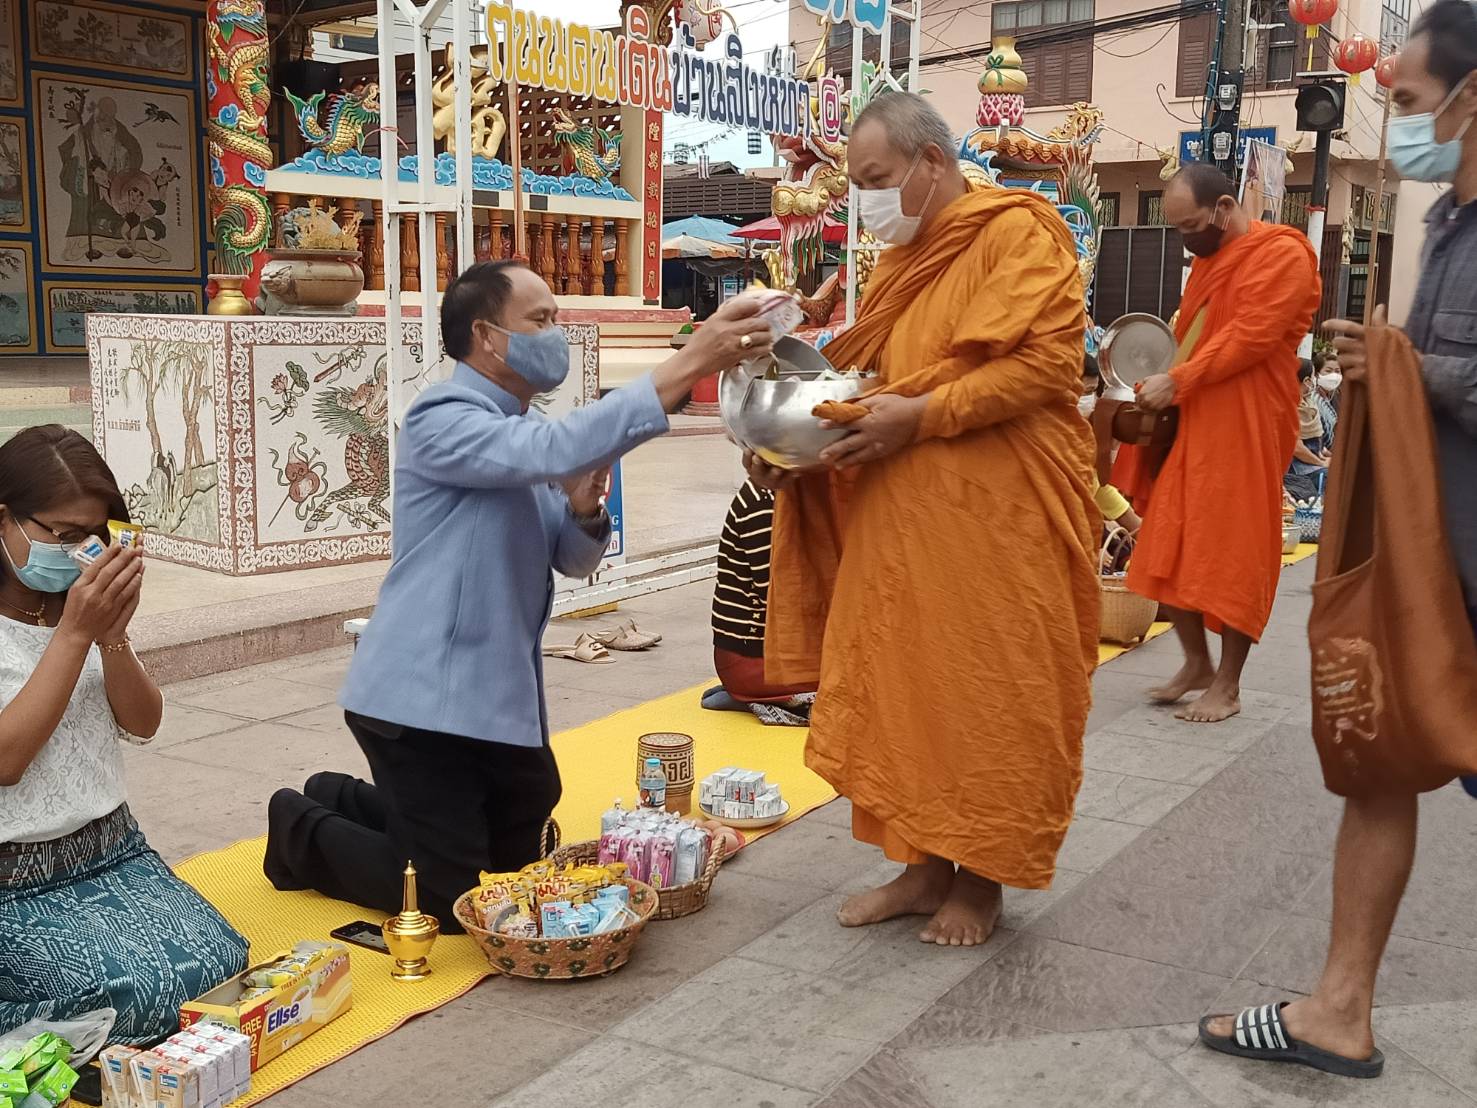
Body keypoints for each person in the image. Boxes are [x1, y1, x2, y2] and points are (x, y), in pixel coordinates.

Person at [263, 261, 774, 929]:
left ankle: (342, 796)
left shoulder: (516, 434)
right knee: (452, 899)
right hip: (419, 697)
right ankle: (297, 827)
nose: (554, 333)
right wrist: (690, 360)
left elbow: (572, 557)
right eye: (540, 320)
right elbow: (562, 445)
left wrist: (586, 512)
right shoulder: (445, 419)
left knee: (523, 848)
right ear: (488, 336)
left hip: (492, 691)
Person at [1199, 1, 1477, 1076]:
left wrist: (1403, 368)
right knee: (1377, 769)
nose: (1395, 124)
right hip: (1433, 567)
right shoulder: (1448, 222)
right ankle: (1338, 1006)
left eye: (1405, 102)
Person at [750, 92, 1100, 947]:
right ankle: (920, 870)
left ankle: (978, 882)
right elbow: (873, 377)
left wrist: (923, 416)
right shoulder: (906, 261)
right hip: (900, 525)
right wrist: (794, 436)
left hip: (999, 523)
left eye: (875, 179)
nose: (866, 198)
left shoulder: (1017, 233)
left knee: (990, 694)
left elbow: (1049, 368)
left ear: (929, 163)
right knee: (900, 693)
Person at [0, 426, 246, 1042]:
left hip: (110, 850)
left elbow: (143, 722)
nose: (85, 549)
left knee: (219, 965)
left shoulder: (79, 607)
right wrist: (78, 632)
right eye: (64, 534)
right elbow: (6, 761)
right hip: (13, 882)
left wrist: (113, 635)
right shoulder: (69, 618)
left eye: (97, 534)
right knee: (136, 999)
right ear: (3, 520)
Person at [1130, 163, 1321, 722]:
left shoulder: (1284, 253)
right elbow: (1192, 333)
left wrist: (1179, 380)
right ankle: (1196, 662)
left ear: (1224, 207)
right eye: (1179, 230)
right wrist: (1152, 379)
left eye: (1191, 226)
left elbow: (1250, 336)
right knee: (1166, 540)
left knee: (1236, 549)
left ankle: (1229, 686)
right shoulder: (1210, 263)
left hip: (1249, 420)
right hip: (1196, 420)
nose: (1187, 240)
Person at [703, 479, 817, 726]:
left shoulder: (790, 493)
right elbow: (780, 598)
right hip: (754, 660)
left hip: (767, 655)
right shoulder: (765, 502)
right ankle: (755, 694)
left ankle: (753, 695)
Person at [1080, 352, 1143, 534]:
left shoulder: (1089, 444)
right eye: (1082, 393)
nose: (1087, 400)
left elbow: (1100, 489)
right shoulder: (1043, 443)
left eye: (1091, 392)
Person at [1286, 358, 1333, 502]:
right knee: (1330, 477)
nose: (1315, 379)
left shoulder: (1309, 404)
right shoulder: (1289, 406)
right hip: (1298, 468)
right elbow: (1296, 448)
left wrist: (1327, 456)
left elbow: (1316, 443)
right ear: (1307, 380)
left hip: (1312, 461)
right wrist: (1320, 462)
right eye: (1313, 376)